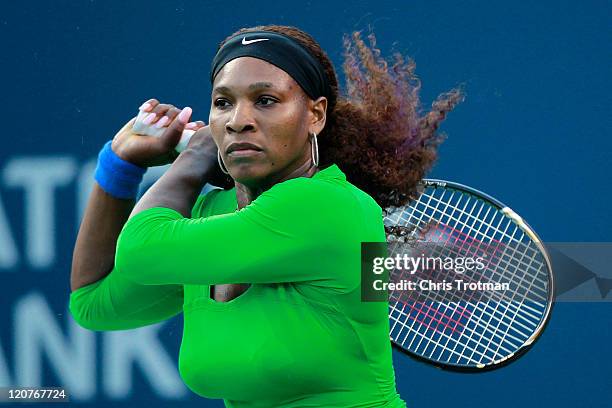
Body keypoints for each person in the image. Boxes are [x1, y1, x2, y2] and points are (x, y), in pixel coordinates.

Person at [69, 25, 462, 407]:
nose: (238, 120)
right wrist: (119, 164)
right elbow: (92, 303)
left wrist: (193, 160)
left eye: (265, 100)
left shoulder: (329, 206)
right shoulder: (212, 212)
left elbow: (140, 250)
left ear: (315, 115)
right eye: (223, 103)